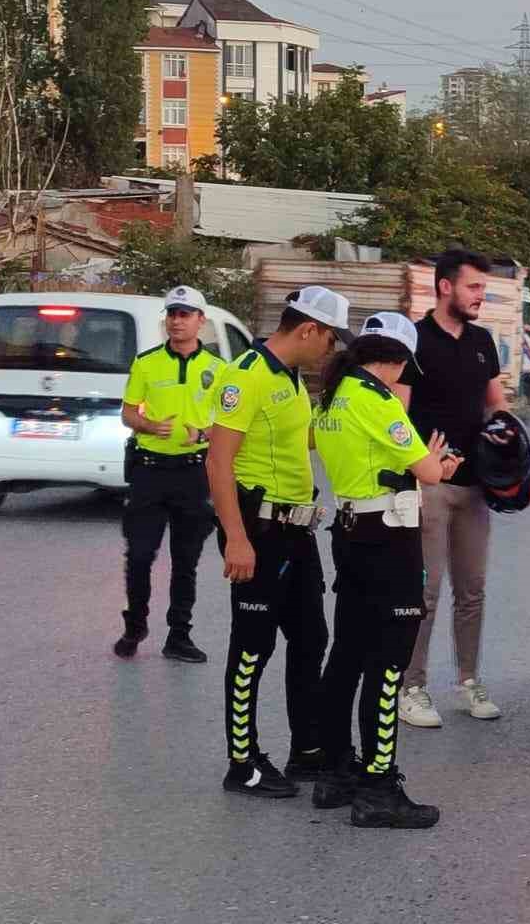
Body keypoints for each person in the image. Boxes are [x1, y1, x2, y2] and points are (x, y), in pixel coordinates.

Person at [310, 313, 462, 828]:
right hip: (388, 539)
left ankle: (334, 772)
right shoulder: (375, 399)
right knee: (388, 663)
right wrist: (439, 463)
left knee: (346, 656)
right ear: (395, 362)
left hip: (350, 532)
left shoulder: (332, 396)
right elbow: (426, 472)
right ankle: (378, 787)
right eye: (405, 372)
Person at [207, 286, 351, 800]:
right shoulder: (244, 376)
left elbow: (303, 437)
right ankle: (241, 762)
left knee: (311, 637)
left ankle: (306, 749)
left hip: (296, 529)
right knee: (251, 649)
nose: (331, 351)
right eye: (331, 340)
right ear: (308, 329)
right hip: (259, 532)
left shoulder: (290, 380)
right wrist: (237, 541)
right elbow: (217, 461)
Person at [394, 248, 511, 727]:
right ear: (446, 287)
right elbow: (395, 415)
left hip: (474, 486)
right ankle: (411, 687)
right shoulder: (414, 341)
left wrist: (509, 440)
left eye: (483, 288)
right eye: (474, 287)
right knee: (427, 590)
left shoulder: (483, 340)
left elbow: (497, 406)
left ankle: (467, 681)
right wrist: (424, 461)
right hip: (429, 485)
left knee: (473, 589)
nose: (480, 295)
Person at [113, 286, 222, 663]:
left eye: (185, 314)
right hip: (149, 473)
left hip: (193, 475)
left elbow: (230, 422)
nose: (176, 321)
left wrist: (204, 433)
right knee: (140, 555)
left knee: (185, 561)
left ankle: (179, 635)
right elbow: (127, 413)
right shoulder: (146, 363)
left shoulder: (219, 370)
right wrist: (145, 424)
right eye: (172, 314)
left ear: (200, 321)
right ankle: (135, 625)